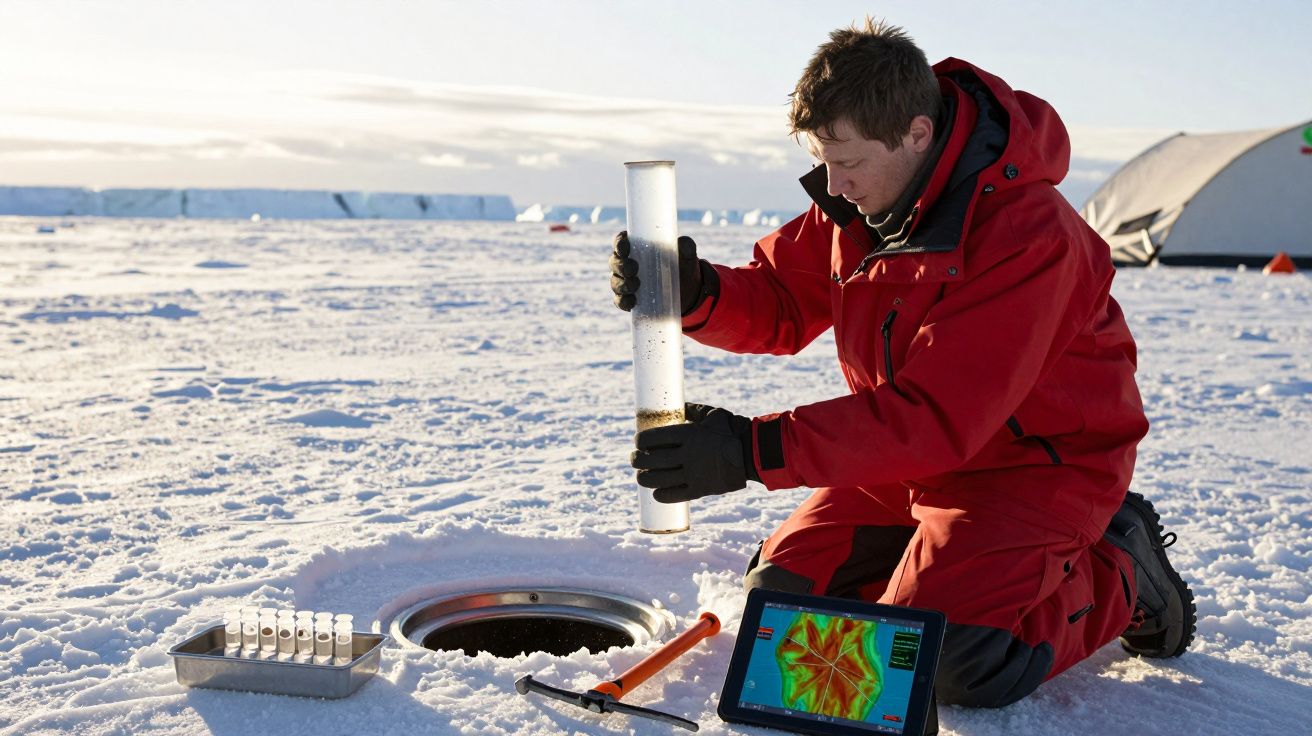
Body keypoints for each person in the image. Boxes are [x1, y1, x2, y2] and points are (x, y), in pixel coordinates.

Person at [610, 18, 1195, 708]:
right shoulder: (863, 203)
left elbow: (936, 415)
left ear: (918, 133)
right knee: (785, 603)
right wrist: (700, 292)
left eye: (849, 162)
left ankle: (1118, 567)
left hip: (1035, 470)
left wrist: (750, 449)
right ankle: (937, 569)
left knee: (945, 659)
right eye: (825, 159)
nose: (834, 183)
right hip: (907, 460)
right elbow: (781, 300)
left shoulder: (1029, 236)